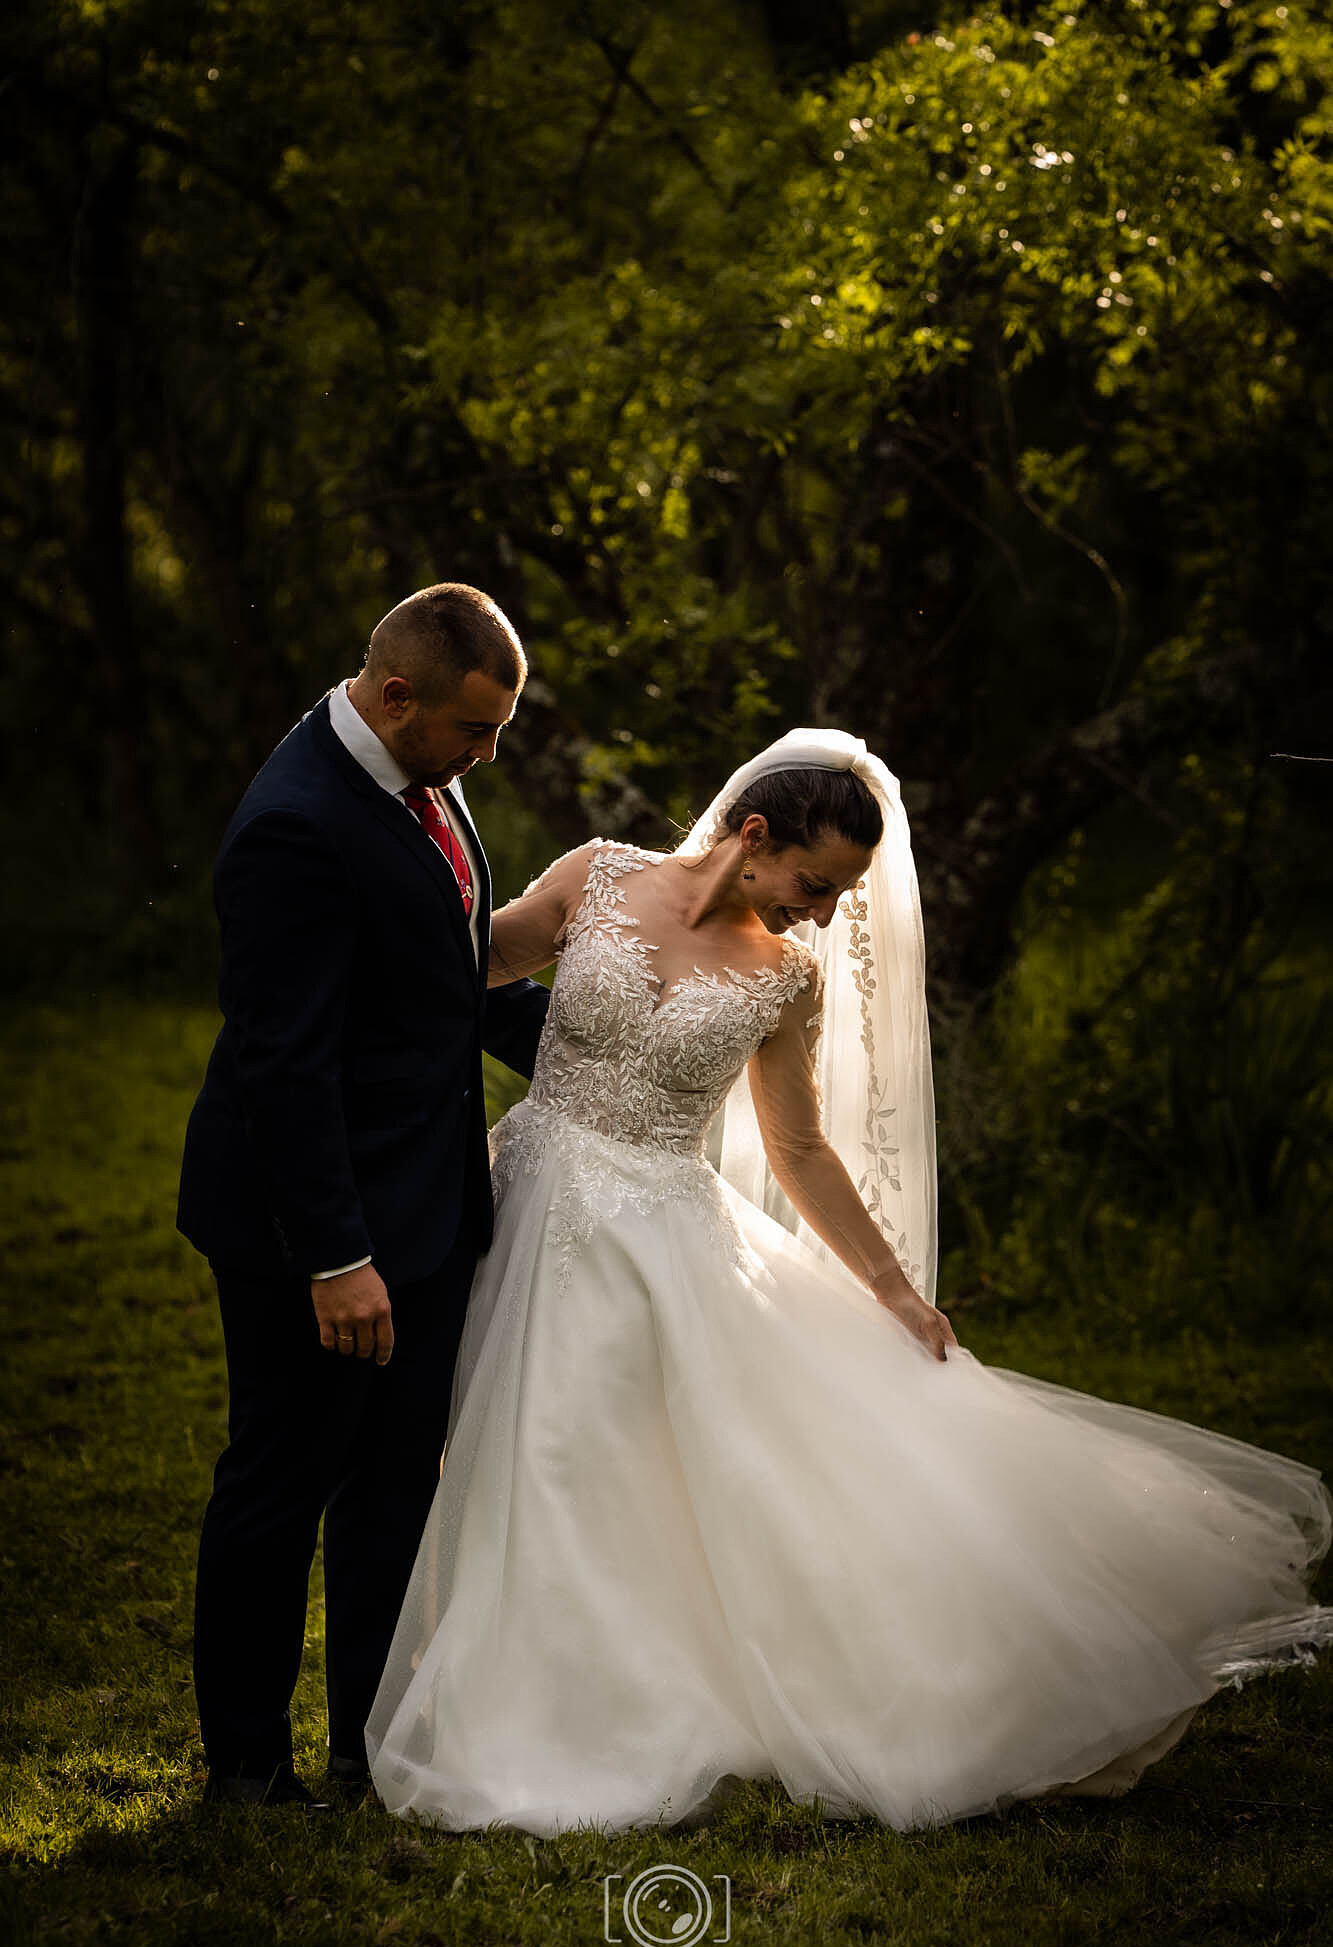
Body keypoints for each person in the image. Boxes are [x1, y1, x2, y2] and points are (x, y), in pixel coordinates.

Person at [366, 730, 1333, 1835]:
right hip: (520, 1195)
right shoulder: (596, 876)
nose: (821, 913)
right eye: (815, 886)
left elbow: (800, 1148)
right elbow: (465, 964)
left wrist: (893, 1289)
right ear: (755, 835)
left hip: (651, 1241)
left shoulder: (783, 976)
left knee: (576, 1454)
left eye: (839, 899)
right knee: (481, 1442)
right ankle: (506, 1667)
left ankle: (585, 1703)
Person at [178, 583, 550, 1809]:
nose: (488, 755)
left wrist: (606, 1053)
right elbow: (287, 1063)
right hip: (311, 1221)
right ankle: (245, 1763)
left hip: (429, 1199)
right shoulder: (295, 824)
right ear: (398, 696)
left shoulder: (422, 778)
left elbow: (439, 979)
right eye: (476, 729)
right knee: (283, 1478)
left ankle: (368, 1745)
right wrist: (335, 1256)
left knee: (398, 1480)